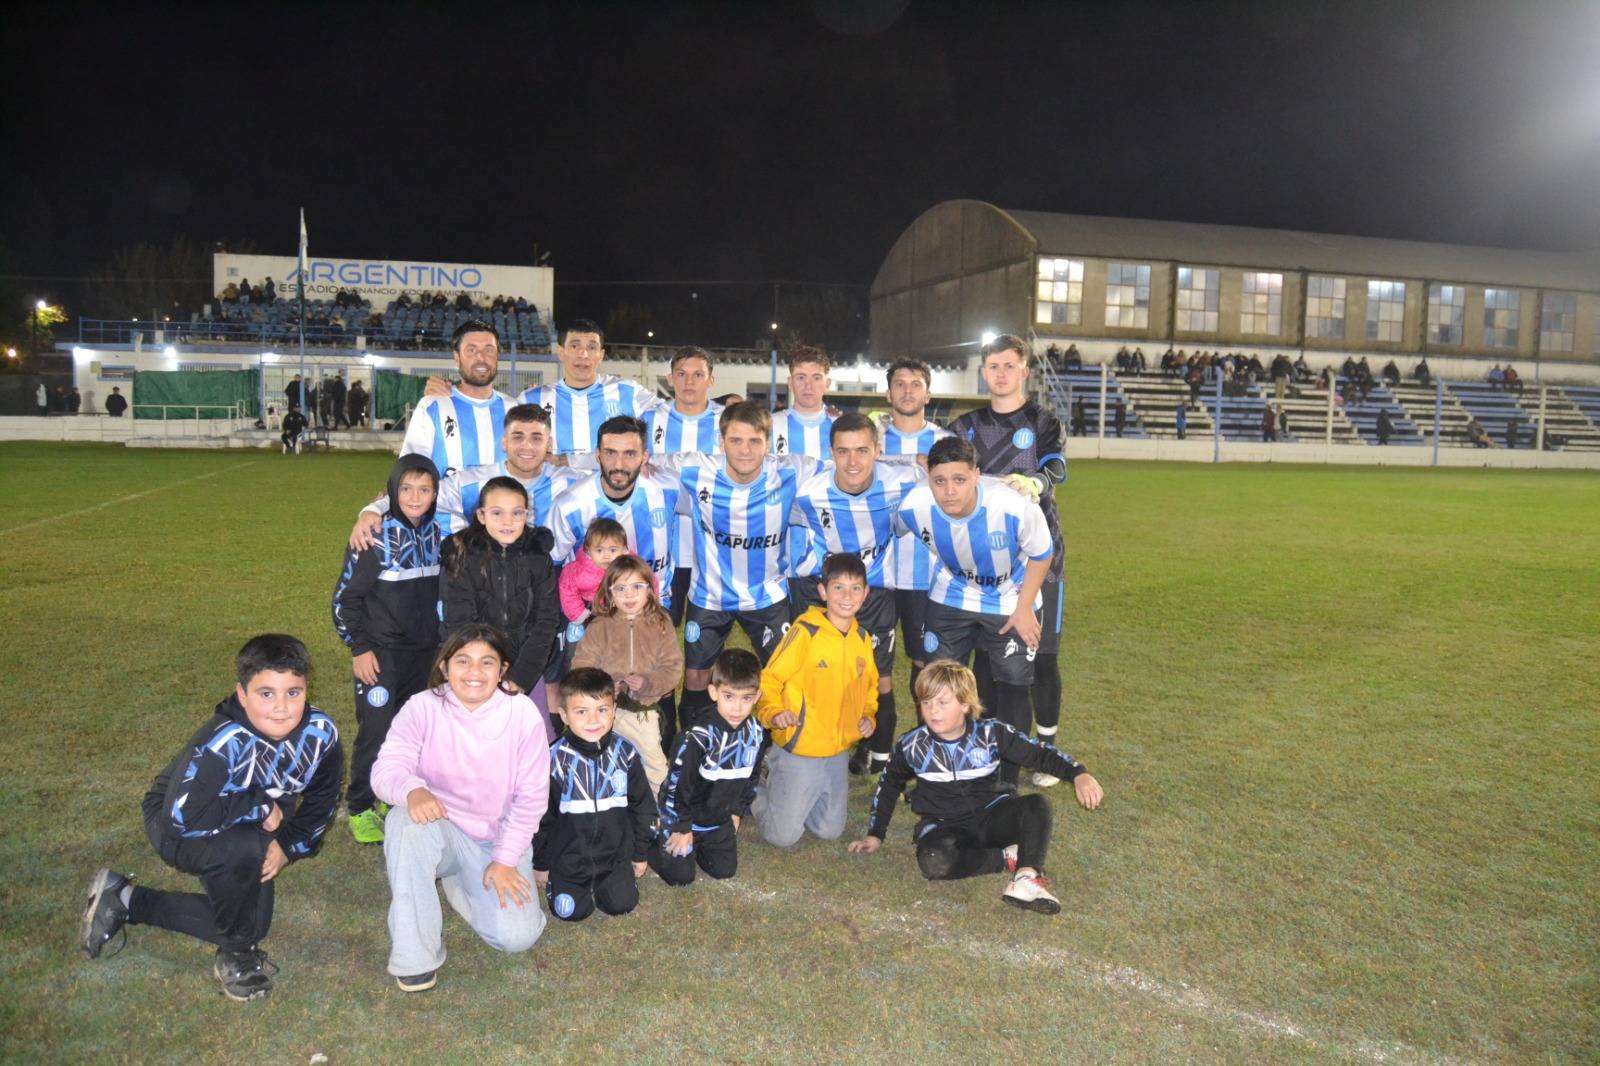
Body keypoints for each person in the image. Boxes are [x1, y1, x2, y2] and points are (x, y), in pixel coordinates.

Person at [78, 635, 343, 1001]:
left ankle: (123, 898)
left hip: (245, 818)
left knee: (253, 924)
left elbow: (322, 801)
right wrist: (260, 807)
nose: (281, 708)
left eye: (293, 693)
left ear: (306, 689)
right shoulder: (221, 741)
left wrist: (287, 845)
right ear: (242, 694)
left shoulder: (321, 733)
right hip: (176, 820)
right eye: (266, 694)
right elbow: (182, 817)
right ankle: (236, 955)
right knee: (245, 859)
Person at [847, 661, 1103, 915]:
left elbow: (1039, 753)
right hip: (944, 825)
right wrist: (875, 834)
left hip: (992, 816)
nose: (933, 710)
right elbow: (889, 785)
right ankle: (1004, 858)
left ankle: (1025, 877)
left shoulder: (991, 734)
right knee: (933, 862)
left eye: (942, 702)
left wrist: (1078, 774)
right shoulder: (912, 745)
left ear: (965, 704)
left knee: (1037, 805)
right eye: (926, 702)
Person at [372, 625, 549, 992]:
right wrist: (412, 790)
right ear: (444, 667)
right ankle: (415, 957)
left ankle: (461, 882)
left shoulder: (522, 713)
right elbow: (386, 769)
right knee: (404, 821)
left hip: (495, 838)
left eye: (487, 662)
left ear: (502, 670)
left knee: (517, 938)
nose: (474, 672)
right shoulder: (422, 707)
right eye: (463, 661)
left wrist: (504, 860)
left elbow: (531, 798)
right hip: (438, 827)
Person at [639, 402, 822, 730]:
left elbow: (849, 468)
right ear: (721, 442)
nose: (745, 450)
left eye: (754, 441)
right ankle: (695, 740)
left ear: (768, 443)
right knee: (696, 676)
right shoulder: (695, 469)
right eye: (736, 440)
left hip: (767, 595)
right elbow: (641, 459)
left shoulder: (792, 471)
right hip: (710, 594)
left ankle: (769, 746)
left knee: (781, 675)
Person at [894, 436, 1054, 788]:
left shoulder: (1012, 506)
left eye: (959, 479)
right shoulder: (914, 505)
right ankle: (937, 771)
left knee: (1013, 686)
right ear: (928, 479)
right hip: (952, 595)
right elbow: (888, 527)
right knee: (937, 683)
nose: (949, 491)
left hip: (1010, 598)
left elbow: (1042, 554)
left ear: (977, 476)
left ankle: (1006, 781)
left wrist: (1024, 608)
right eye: (939, 481)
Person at [948, 334, 1069, 779]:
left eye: (1009, 366)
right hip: (986, 561)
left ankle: (1047, 751)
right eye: (993, 366)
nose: (1000, 374)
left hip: (1041, 557)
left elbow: (1057, 466)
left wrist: (1037, 482)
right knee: (989, 659)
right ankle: (991, 748)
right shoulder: (964, 426)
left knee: (1044, 656)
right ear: (984, 372)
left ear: (1024, 372)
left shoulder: (1043, 421)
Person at [788, 413, 923, 774]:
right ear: (831, 452)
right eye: (843, 451)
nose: (852, 461)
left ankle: (878, 755)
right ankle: (813, 745)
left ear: (878, 451)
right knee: (817, 673)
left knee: (878, 678)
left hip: (875, 593)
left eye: (862, 450)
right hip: (822, 592)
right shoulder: (807, 492)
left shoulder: (903, 482)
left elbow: (954, 477)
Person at [331, 455, 443, 845]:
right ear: (393, 490)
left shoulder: (438, 533)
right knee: (376, 731)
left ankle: (392, 794)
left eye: (424, 489)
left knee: (412, 731)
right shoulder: (374, 536)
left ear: (434, 494)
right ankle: (360, 806)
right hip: (380, 656)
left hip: (424, 655)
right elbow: (345, 600)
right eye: (406, 488)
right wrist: (359, 648)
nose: (415, 497)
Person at [752, 553, 878, 848]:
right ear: (823, 591)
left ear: (865, 593)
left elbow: (870, 688)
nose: (847, 596)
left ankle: (794, 794)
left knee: (829, 830)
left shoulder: (862, 638)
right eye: (838, 587)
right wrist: (774, 711)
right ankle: (754, 786)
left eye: (855, 588)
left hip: (837, 751)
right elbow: (770, 678)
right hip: (800, 748)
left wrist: (868, 716)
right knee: (783, 836)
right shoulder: (805, 631)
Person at [532, 667, 657, 922]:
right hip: (569, 860)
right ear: (564, 715)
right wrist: (541, 863)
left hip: (614, 857)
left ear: (614, 711)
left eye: (602, 710)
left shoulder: (626, 754)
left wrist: (639, 853)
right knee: (570, 913)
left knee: (622, 905)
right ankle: (564, 882)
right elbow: (542, 817)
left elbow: (643, 806)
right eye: (581, 711)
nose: (593, 720)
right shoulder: (554, 760)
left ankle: (614, 880)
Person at [650, 649, 766, 887]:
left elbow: (752, 778)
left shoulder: (756, 733)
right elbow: (677, 787)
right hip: (684, 816)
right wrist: (682, 827)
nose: (737, 708)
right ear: (713, 692)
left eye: (746, 698)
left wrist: (736, 811)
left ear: (757, 697)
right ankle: (652, 837)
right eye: (729, 697)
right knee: (681, 877)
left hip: (717, 819)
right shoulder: (697, 737)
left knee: (724, 870)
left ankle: (700, 844)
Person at [439, 477, 561, 703]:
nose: (508, 521)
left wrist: (520, 678)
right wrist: (485, 673)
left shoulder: (538, 556)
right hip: (475, 671)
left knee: (532, 723)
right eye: (497, 513)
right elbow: (458, 622)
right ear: (481, 515)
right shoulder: (461, 555)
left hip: (525, 670)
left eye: (517, 513)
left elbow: (546, 621)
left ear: (526, 515)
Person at [570, 555, 683, 792]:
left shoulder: (661, 622)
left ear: (650, 590)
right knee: (606, 763)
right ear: (609, 594)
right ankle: (610, 803)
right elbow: (581, 667)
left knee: (654, 765)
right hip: (604, 712)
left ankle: (660, 807)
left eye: (637, 587)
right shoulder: (599, 626)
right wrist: (606, 687)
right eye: (620, 588)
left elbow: (672, 668)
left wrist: (648, 683)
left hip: (644, 712)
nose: (629, 595)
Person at [467, 319, 662, 456]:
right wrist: (450, 390)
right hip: (553, 498)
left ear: (601, 355)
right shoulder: (532, 399)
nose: (583, 354)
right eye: (575, 346)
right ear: (561, 352)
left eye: (592, 347)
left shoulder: (629, 392)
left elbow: (672, 414)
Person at [548, 416, 682, 609]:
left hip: (654, 606)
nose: (619, 465)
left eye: (630, 454)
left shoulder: (669, 490)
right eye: (610, 453)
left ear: (644, 457)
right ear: (597, 455)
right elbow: (552, 566)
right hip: (595, 612)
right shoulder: (569, 505)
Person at [401, 320, 514, 478]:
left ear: (497, 356)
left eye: (489, 350)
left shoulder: (513, 408)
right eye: (471, 350)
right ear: (457, 357)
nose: (481, 357)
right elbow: (410, 470)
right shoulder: (432, 406)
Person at [558, 517, 630, 625]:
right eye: (599, 550)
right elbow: (567, 589)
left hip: (622, 609)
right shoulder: (579, 571)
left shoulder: (629, 564)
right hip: (590, 612)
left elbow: (646, 578)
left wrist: (651, 601)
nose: (606, 556)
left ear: (623, 549)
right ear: (588, 550)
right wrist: (580, 615)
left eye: (613, 550)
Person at [773, 345, 835, 458]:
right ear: (790, 383)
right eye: (801, 378)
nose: (808, 386)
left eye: (816, 378)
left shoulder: (841, 426)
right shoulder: (771, 425)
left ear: (827, 384)